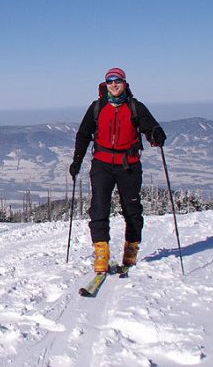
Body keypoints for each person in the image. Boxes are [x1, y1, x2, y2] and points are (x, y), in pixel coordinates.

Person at [69, 67, 166, 273]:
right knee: (99, 207)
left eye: (118, 80)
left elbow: (150, 127)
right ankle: (101, 253)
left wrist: (156, 134)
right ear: (106, 84)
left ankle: (131, 249)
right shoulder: (97, 107)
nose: (114, 84)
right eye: (110, 81)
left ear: (124, 83)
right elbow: (84, 134)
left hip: (128, 164)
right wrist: (77, 160)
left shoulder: (135, 107)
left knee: (132, 209)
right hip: (102, 163)